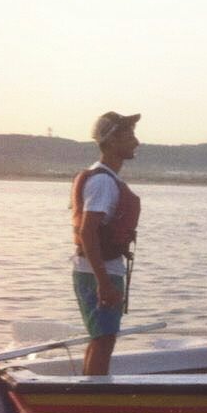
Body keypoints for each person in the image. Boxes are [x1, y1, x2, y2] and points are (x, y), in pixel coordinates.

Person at [70, 111, 141, 375]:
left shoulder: (104, 178)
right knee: (103, 340)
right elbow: (88, 232)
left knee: (102, 338)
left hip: (99, 271)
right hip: (98, 273)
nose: (136, 142)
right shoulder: (102, 182)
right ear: (111, 141)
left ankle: (90, 392)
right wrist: (104, 283)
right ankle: (92, 400)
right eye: (129, 136)